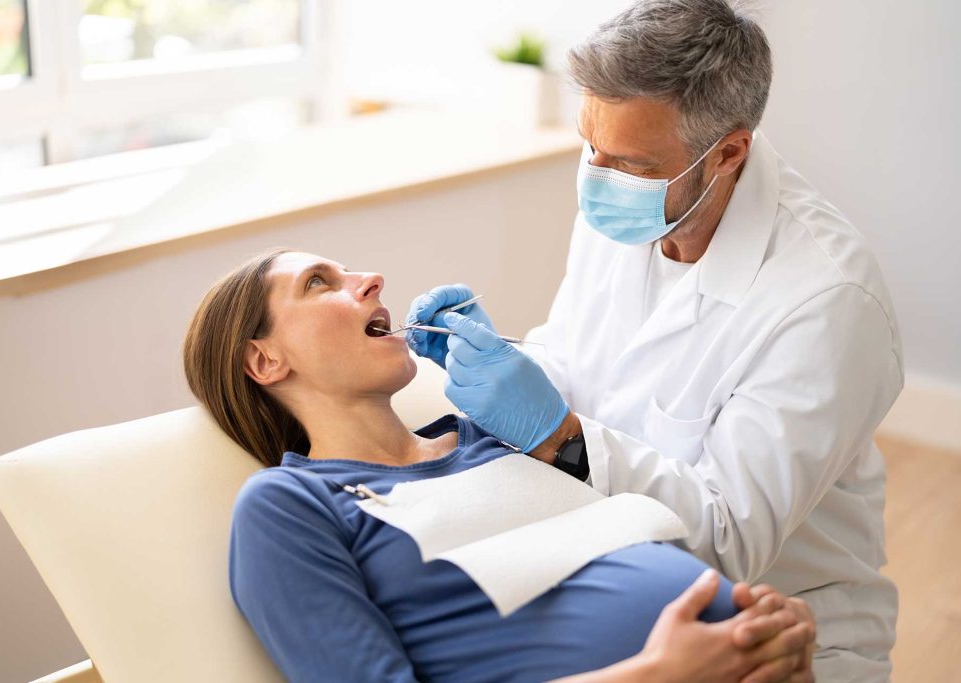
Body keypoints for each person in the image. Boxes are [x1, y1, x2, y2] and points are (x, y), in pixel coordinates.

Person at [406, 1, 901, 680]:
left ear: (727, 153)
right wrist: (510, 361)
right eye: (590, 146)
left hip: (774, 630)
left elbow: (729, 541)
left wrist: (559, 433)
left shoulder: (826, 301)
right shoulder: (628, 204)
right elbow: (584, 364)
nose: (597, 179)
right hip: (616, 579)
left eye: (630, 164)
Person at [182, 248, 815, 683]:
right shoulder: (290, 504)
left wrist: (763, 630)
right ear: (264, 361)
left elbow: (658, 538)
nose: (371, 278)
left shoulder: (490, 435)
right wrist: (655, 673)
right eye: (319, 282)